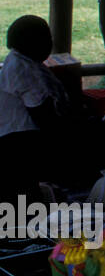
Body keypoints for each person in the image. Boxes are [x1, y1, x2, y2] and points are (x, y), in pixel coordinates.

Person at [0, 15, 72, 200]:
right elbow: (45, 117)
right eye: (47, 40)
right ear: (34, 43)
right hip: (19, 143)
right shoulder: (23, 70)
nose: (50, 43)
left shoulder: (18, 62)